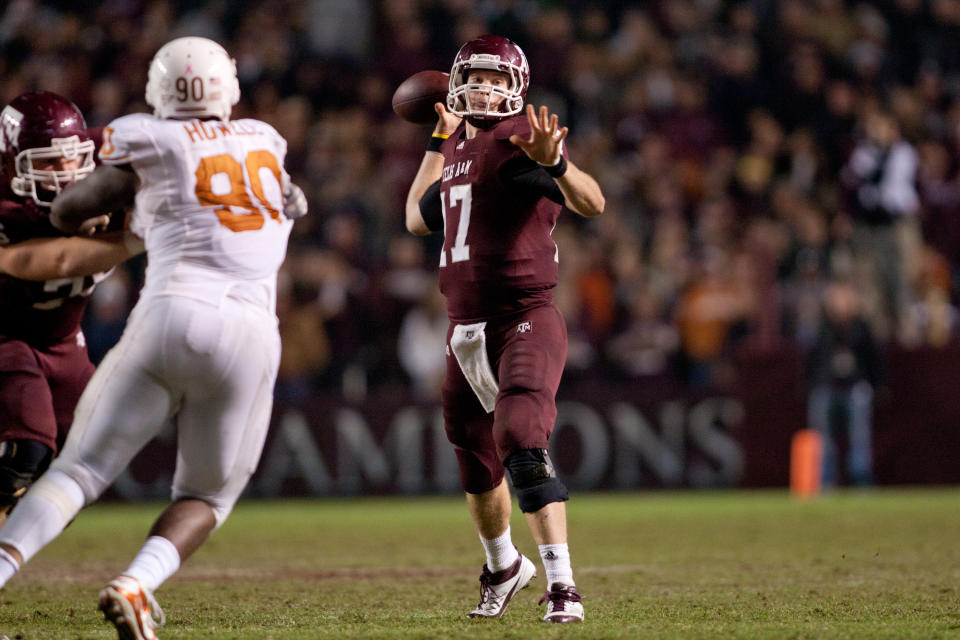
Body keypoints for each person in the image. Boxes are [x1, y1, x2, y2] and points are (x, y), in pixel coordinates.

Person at [0, 36, 307, 640]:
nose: (64, 168)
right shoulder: (266, 141)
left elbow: (68, 212)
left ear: (155, 92)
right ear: (232, 90)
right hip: (249, 333)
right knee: (207, 497)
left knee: (76, 473)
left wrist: (139, 213)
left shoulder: (146, 136)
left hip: (167, 315)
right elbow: (292, 200)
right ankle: (136, 583)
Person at [404, 34, 604, 623]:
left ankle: (563, 584)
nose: (486, 89)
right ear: (458, 82)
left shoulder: (519, 141)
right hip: (463, 327)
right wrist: (438, 140)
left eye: (497, 80)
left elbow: (592, 203)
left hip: (523, 316)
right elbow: (417, 217)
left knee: (520, 433)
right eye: (477, 78)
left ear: (515, 86)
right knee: (474, 458)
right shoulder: (459, 146)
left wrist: (558, 164)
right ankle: (503, 566)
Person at [0, 90, 124, 529]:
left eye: (71, 160)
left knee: (77, 470)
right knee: (22, 454)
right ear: (9, 164)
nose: (66, 174)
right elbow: (52, 260)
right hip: (8, 334)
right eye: (48, 164)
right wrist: (137, 237)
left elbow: (158, 140)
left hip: (64, 341)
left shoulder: (95, 153)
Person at [805, 278, 882, 487]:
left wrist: (878, 387)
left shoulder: (861, 327)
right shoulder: (821, 327)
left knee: (859, 438)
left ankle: (861, 479)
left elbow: (874, 360)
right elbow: (810, 360)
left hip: (854, 387)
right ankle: (825, 481)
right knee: (823, 440)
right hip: (826, 387)